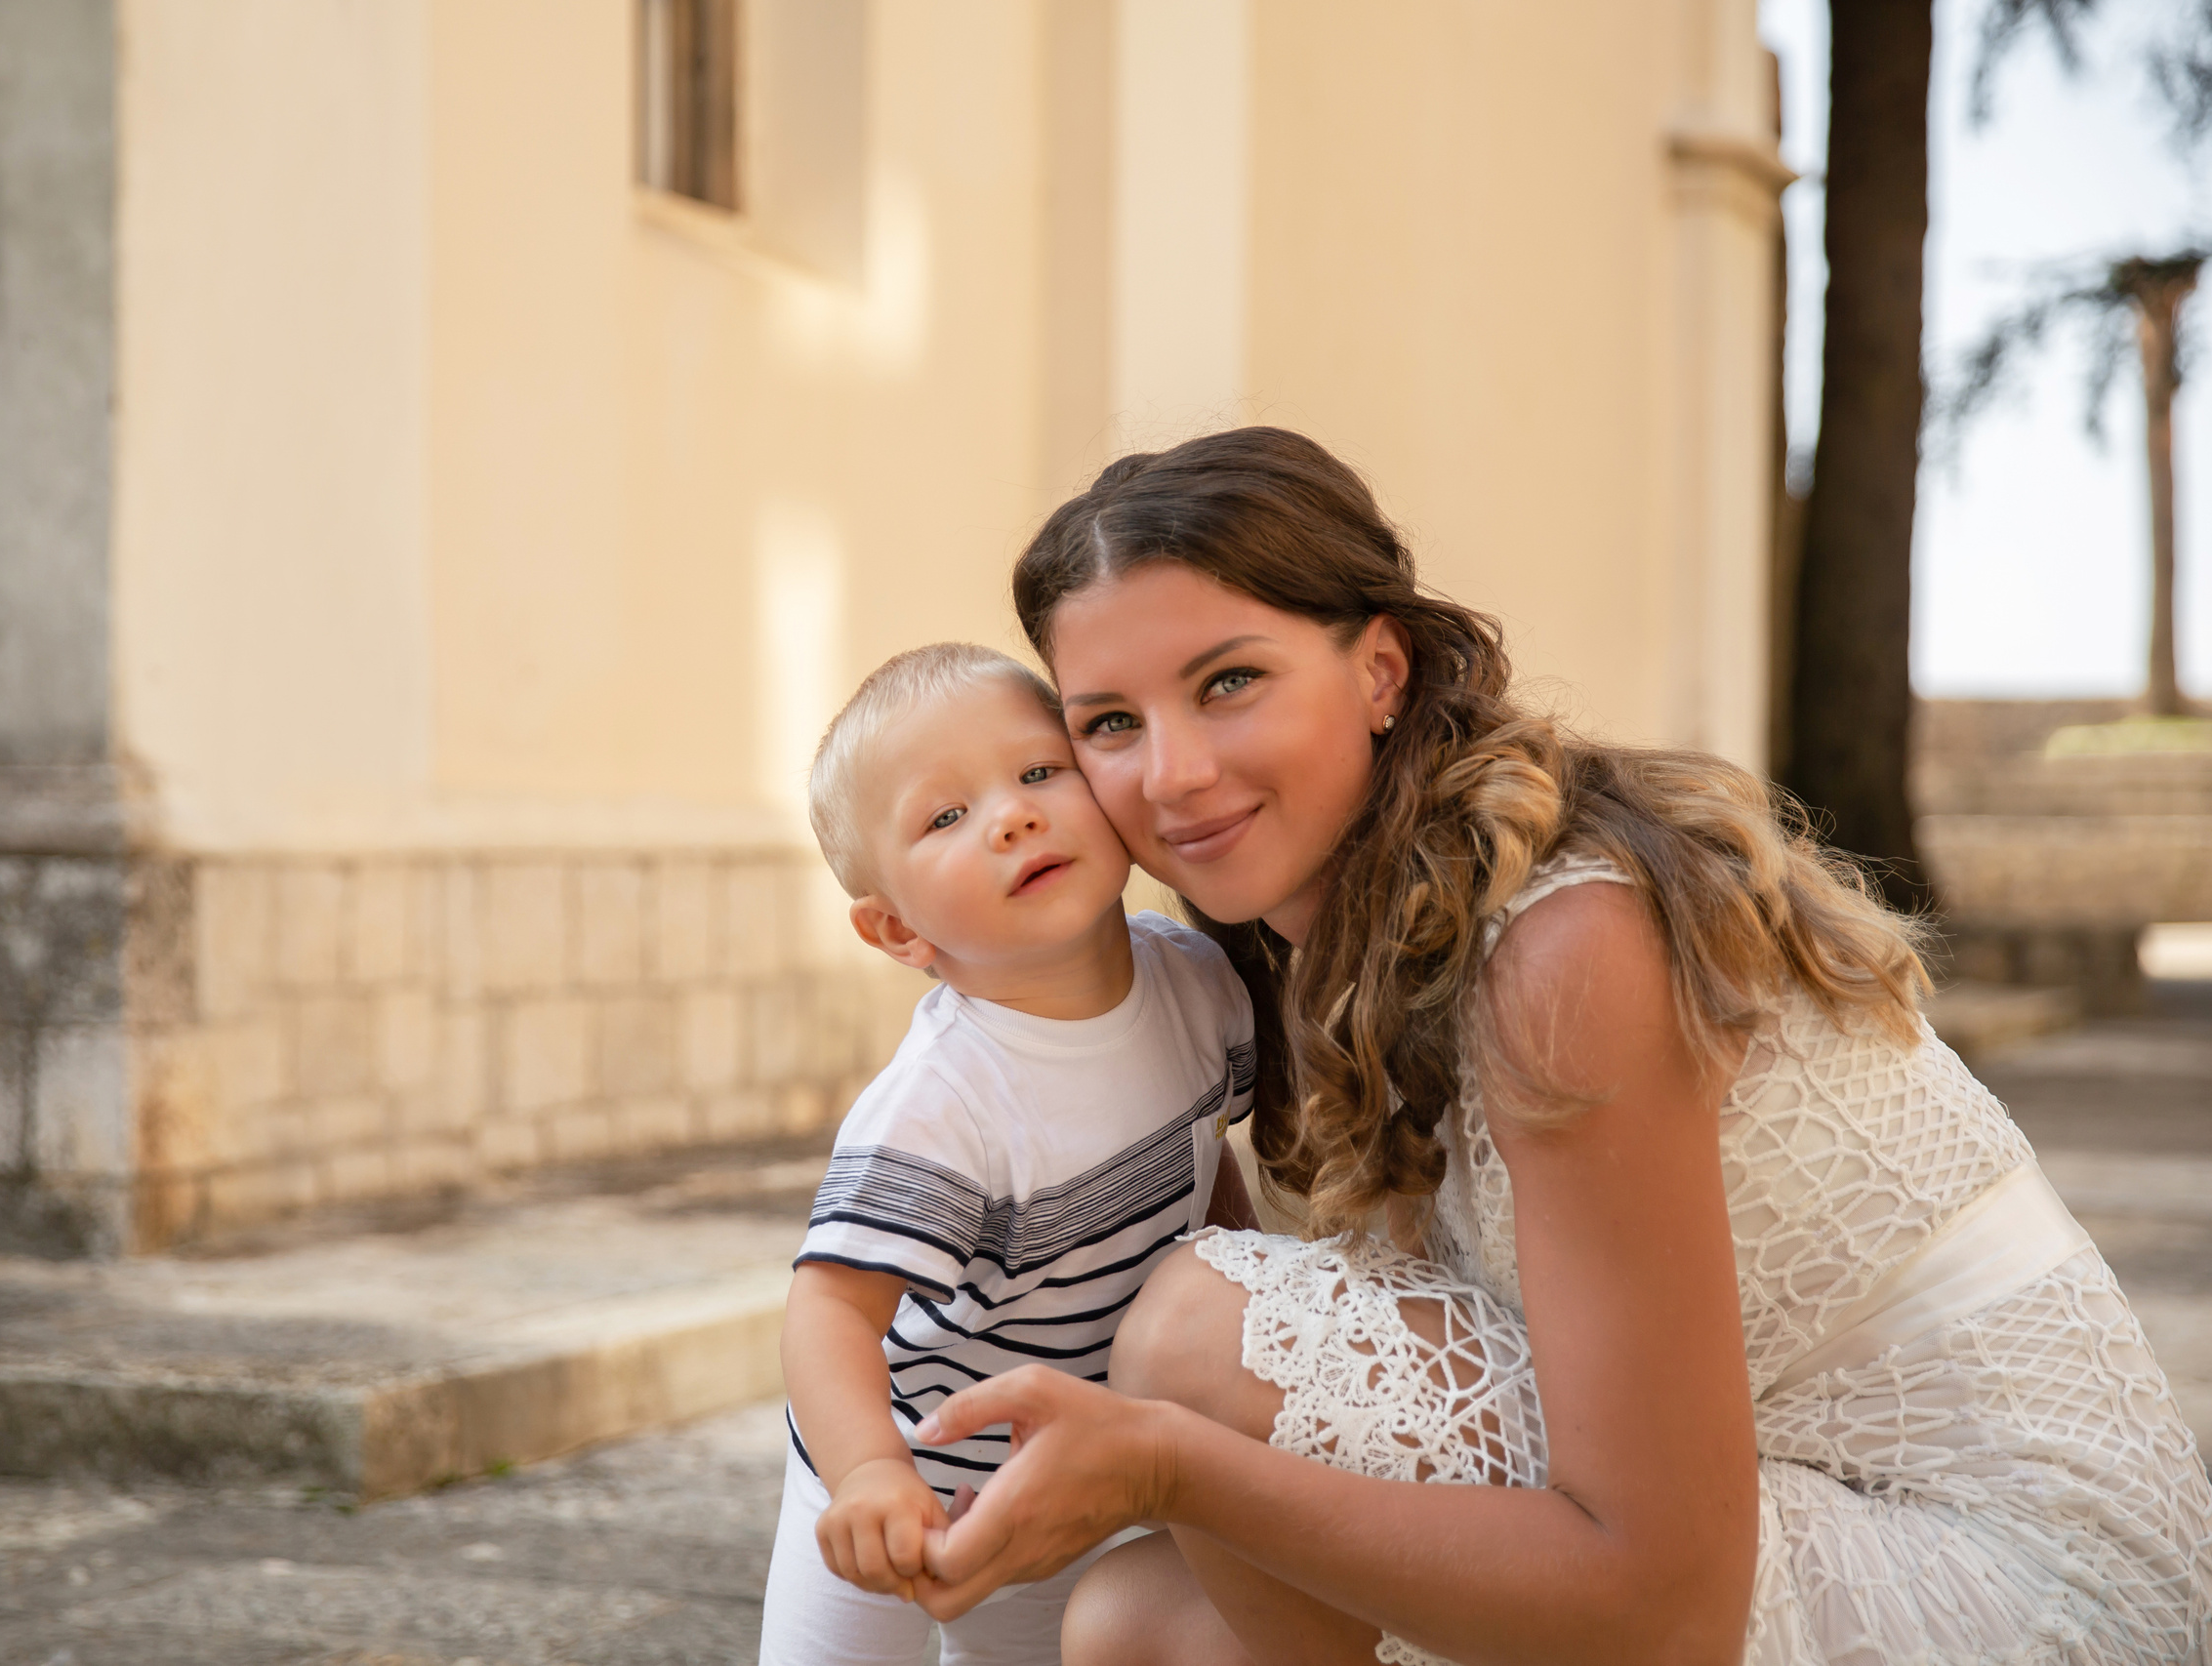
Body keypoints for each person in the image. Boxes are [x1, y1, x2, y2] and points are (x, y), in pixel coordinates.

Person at [899, 427, 2212, 1665]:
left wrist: (1169, 1465)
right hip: (1766, 1494)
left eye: (1229, 680)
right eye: (1109, 722)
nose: (1172, 773)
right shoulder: (1306, 945)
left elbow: (1668, 1601)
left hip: (2018, 1580)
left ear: (1380, 670)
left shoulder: (1562, 943)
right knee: (1136, 1619)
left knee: (1201, 1339)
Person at [758, 642, 1261, 1666]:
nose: (1013, 816)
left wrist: (1242, 1284)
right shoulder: (941, 1105)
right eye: (946, 818)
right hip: (893, 1469)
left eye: (1040, 773)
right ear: (896, 929)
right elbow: (829, 1309)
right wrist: (866, 1477)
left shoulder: (1199, 985)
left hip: (1051, 1477)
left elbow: (1203, 1161)